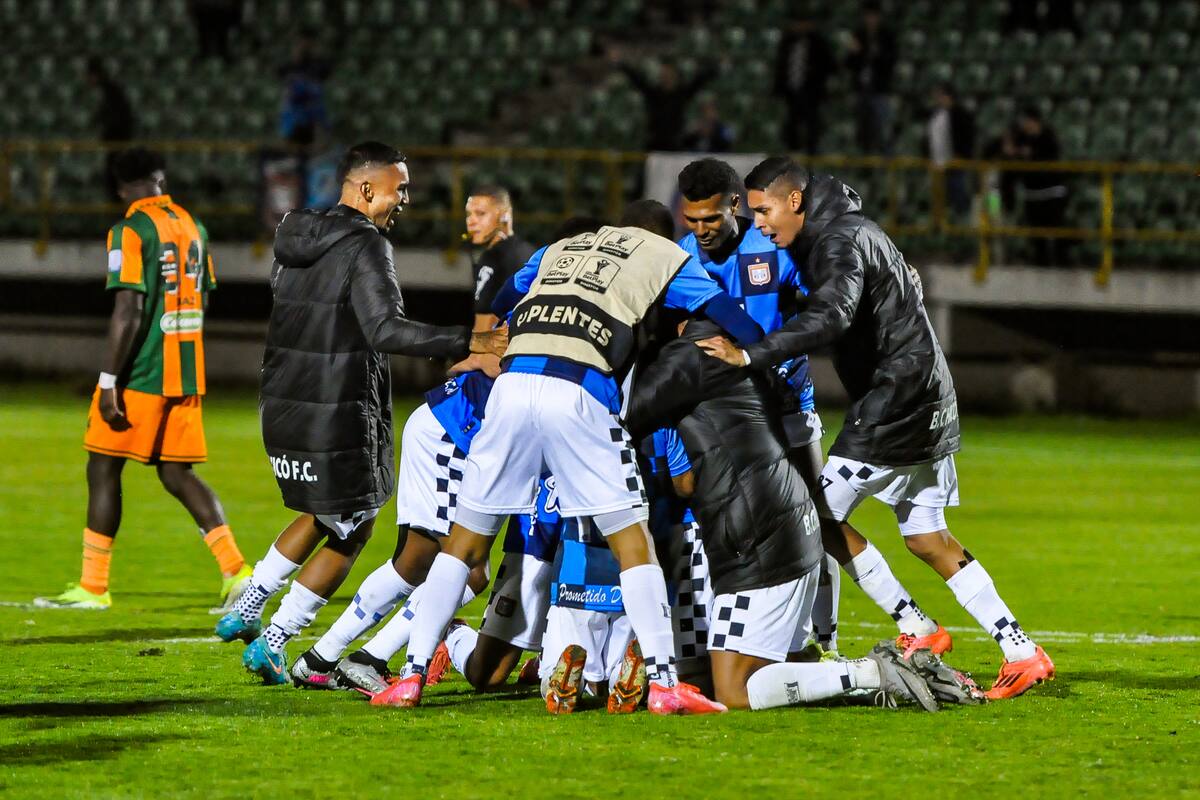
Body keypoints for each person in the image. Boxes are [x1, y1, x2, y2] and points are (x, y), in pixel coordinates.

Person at [383, 200, 764, 714]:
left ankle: (409, 678)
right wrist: (755, 349)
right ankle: (665, 683)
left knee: (465, 543)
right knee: (634, 540)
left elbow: (504, 293)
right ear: (666, 237)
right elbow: (731, 316)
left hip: (514, 384)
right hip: (579, 387)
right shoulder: (667, 256)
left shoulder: (560, 247)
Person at [699, 157, 1055, 700]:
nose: (760, 224)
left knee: (814, 518)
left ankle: (916, 628)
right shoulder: (852, 230)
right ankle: (1022, 652)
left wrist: (751, 354)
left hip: (895, 399)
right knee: (926, 537)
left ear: (794, 200)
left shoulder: (837, 241)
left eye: (764, 210)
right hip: (929, 392)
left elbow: (833, 317)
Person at [214, 142, 506, 685]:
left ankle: (247, 607)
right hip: (335, 405)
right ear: (367, 189)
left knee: (324, 511)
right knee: (354, 525)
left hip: (282, 401)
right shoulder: (366, 245)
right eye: (401, 188)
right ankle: (273, 638)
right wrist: (474, 341)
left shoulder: (295, 236)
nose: (406, 200)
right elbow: (385, 330)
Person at [626, 314, 982, 711]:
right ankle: (869, 675)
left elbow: (623, 416)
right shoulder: (738, 359)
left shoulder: (691, 357)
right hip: (787, 528)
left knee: (734, 691)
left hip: (759, 541)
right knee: (765, 667)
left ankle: (875, 672)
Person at [35, 148, 252, 612]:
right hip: (187, 370)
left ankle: (93, 587)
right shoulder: (194, 226)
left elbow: (128, 311)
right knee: (176, 472)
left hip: (143, 374)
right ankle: (237, 571)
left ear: (118, 187)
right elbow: (204, 300)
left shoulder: (128, 231)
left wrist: (109, 379)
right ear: (160, 178)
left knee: (103, 467)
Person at [674, 157, 841, 653]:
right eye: (692, 219)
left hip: (788, 405)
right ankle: (725, 637)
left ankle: (823, 637)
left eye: (710, 218)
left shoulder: (772, 246)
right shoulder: (681, 257)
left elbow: (826, 304)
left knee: (818, 517)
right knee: (722, 522)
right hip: (723, 419)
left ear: (733, 205)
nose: (701, 230)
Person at [611, 47, 712, 151]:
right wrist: (621, 64)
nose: (667, 78)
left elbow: (698, 82)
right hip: (655, 142)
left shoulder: (682, 94)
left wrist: (717, 67)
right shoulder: (654, 94)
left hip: (675, 143)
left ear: (676, 77)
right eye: (664, 76)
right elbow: (638, 80)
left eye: (670, 76)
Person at [465, 185, 535, 331]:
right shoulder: (530, 252)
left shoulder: (493, 257)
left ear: (505, 215)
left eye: (480, 213)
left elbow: (484, 331)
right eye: (468, 214)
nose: (471, 221)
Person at [1007, 107, 1068, 266]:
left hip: (1051, 189)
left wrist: (1032, 154)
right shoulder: (1021, 137)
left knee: (1056, 227)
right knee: (1036, 229)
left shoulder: (1049, 136)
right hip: (1032, 190)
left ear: (1034, 121)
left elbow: (1052, 156)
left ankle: (1062, 260)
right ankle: (1041, 261)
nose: (1024, 125)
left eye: (1026, 121)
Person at [773, 13, 835, 154]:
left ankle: (812, 153)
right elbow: (781, 67)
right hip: (790, 92)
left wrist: (814, 72)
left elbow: (830, 66)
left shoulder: (819, 42)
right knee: (791, 124)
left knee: (812, 124)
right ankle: (792, 152)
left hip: (812, 93)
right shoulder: (787, 41)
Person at [846, 3, 897, 154]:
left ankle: (884, 159)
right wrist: (856, 52)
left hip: (879, 89)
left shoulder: (886, 36)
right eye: (868, 16)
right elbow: (848, 63)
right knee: (861, 128)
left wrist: (875, 53)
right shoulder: (859, 35)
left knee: (882, 127)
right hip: (860, 88)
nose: (870, 19)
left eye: (873, 16)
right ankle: (864, 160)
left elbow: (891, 61)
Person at [86, 57, 135, 202]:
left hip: (118, 141)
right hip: (115, 142)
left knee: (114, 175)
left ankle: (117, 208)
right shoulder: (108, 91)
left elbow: (117, 118)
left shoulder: (110, 91)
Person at [928, 83, 976, 220]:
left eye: (940, 95)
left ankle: (964, 219)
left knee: (958, 192)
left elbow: (967, 137)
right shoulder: (937, 115)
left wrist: (961, 155)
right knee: (944, 197)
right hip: (940, 164)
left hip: (956, 163)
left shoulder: (960, 114)